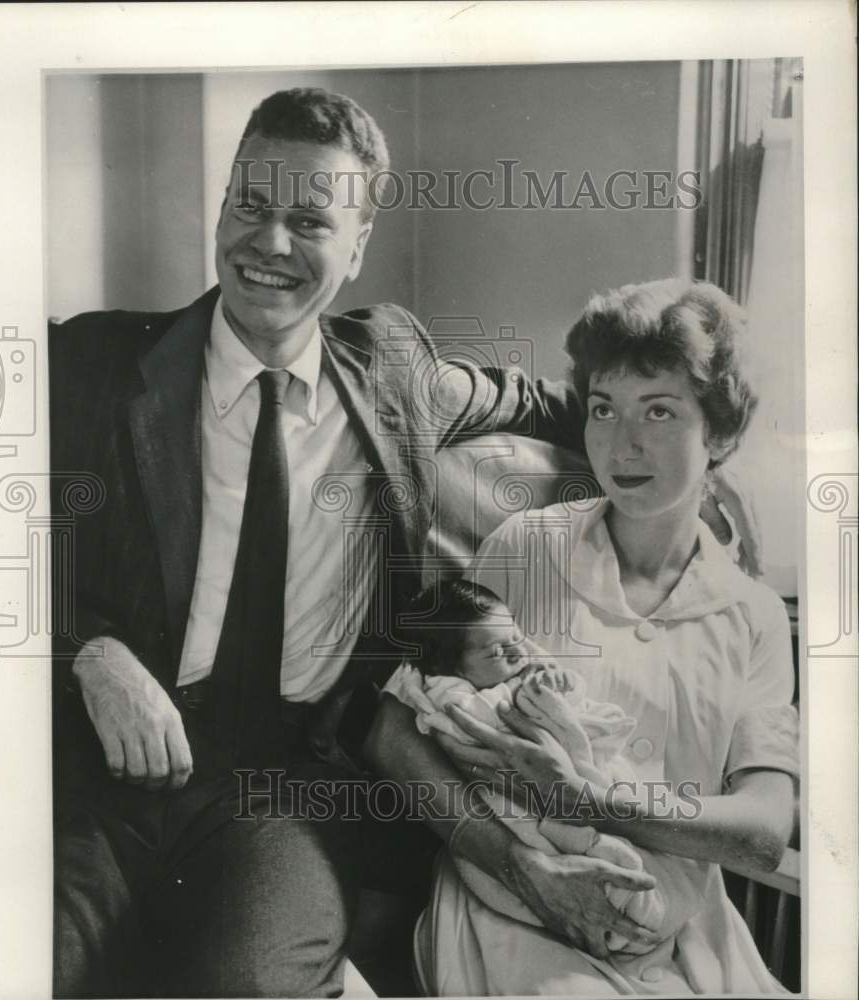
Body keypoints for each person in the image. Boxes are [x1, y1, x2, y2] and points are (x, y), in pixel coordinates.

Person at [48, 86, 601, 998]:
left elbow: (548, 403)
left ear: (357, 247)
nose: (268, 242)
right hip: (91, 778)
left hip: (282, 790)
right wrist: (89, 653)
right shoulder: (93, 365)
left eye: (308, 221)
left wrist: (685, 462)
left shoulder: (394, 368)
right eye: (250, 205)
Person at [394, 278, 799, 995]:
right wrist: (522, 866)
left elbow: (765, 832)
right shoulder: (524, 548)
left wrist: (589, 800)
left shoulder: (753, 614)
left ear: (719, 433)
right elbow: (403, 727)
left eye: (659, 411)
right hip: (515, 906)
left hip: (684, 926)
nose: (621, 443)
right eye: (603, 409)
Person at [386, 579, 706, 985]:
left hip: (576, 779)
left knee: (621, 819)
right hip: (509, 803)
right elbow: (470, 718)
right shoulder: (451, 693)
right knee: (560, 846)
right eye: (497, 650)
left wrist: (557, 684)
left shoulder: (520, 666)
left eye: (516, 637)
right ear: (452, 666)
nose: (517, 651)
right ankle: (620, 902)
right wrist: (528, 696)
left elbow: (570, 699)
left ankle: (636, 897)